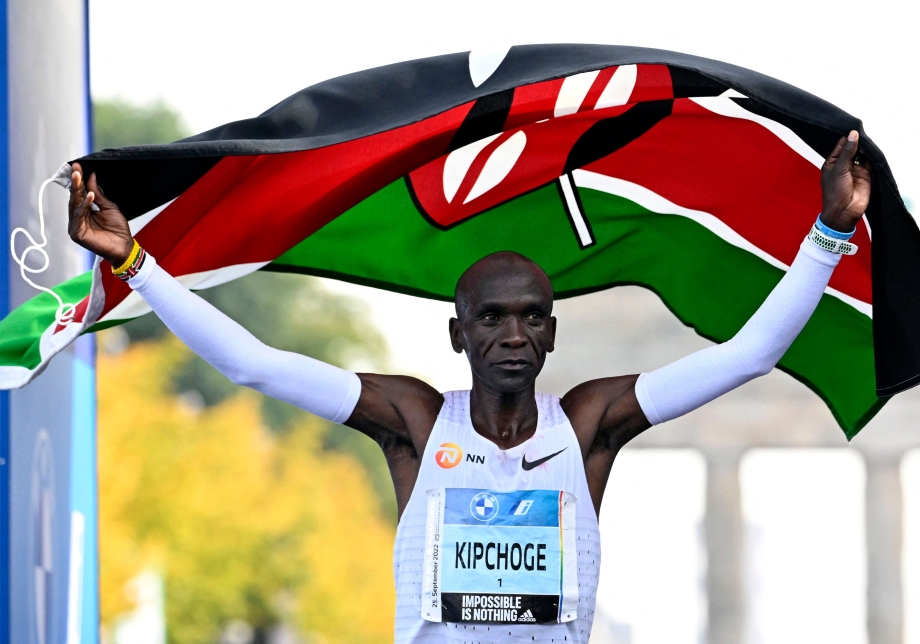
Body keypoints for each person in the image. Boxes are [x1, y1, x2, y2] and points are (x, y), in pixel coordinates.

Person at [68, 131, 871, 643]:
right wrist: (135, 264)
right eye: (491, 319)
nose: (514, 335)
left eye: (532, 318)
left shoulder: (589, 423)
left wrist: (831, 232)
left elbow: (748, 355)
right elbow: (253, 362)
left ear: (554, 332)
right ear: (459, 334)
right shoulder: (415, 420)